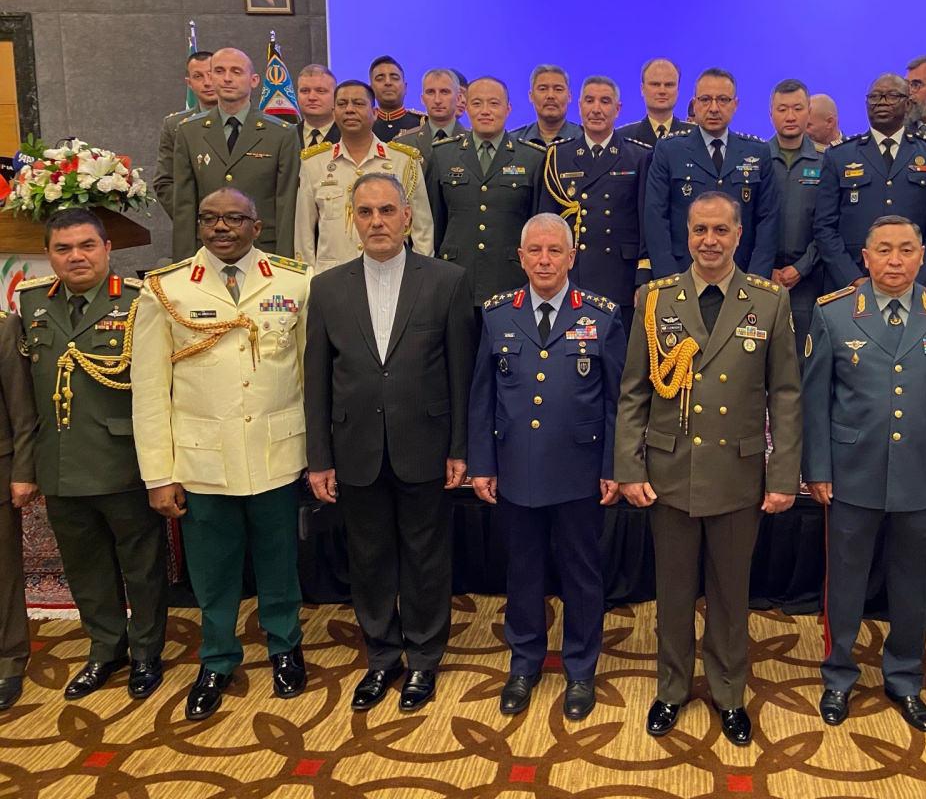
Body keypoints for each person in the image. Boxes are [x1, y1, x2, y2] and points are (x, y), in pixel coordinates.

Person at [614, 191, 802, 747]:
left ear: (739, 235)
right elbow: (633, 392)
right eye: (700, 230)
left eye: (721, 230)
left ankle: (728, 692)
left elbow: (785, 395)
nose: (710, 241)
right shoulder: (655, 299)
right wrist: (629, 467)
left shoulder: (769, 301)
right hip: (670, 469)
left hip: (737, 473)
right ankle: (672, 688)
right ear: (687, 234)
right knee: (672, 593)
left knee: (729, 594)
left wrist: (783, 475)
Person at [132, 188, 311, 722]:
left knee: (280, 562)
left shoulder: (295, 282)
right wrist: (158, 474)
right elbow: (150, 392)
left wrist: (317, 453)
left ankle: (285, 647)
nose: (221, 227)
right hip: (202, 460)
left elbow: (309, 375)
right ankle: (216, 658)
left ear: (257, 225)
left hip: (277, 452)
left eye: (234, 217)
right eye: (210, 218)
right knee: (212, 572)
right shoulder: (164, 290)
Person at [305, 173, 474, 713]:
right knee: (369, 556)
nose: (376, 221)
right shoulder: (326, 288)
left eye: (386, 211)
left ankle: (423, 657)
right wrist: (319, 458)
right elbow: (316, 380)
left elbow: (461, 373)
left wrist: (460, 448)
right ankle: (381, 656)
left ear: (406, 217)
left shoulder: (447, 281)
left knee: (426, 557)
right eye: (365, 212)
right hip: (355, 448)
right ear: (352, 221)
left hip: (425, 443)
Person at [803, 216, 926, 731]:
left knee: (914, 584)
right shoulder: (833, 313)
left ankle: (904, 677)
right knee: (845, 583)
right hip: (851, 472)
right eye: (883, 250)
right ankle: (838, 676)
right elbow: (814, 400)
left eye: (905, 249)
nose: (895, 260)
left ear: (922, 256)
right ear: (866, 257)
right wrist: (817, 468)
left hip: (925, 473)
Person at [468, 214, 626, 720]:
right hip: (517, 469)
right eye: (534, 251)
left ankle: (581, 669)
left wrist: (614, 466)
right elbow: (482, 397)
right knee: (523, 572)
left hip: (580, 471)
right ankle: (524, 663)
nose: (544, 260)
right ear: (520, 258)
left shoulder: (601, 316)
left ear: (571, 257)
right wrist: (482, 463)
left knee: (582, 573)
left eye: (555, 251)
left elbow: (617, 402)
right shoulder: (497, 315)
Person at [9, 209, 168, 702]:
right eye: (63, 248)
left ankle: (146, 653)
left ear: (107, 249)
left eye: (86, 245)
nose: (76, 256)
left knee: (141, 565)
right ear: (49, 255)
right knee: (85, 566)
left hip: (123, 460)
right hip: (60, 462)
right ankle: (105, 649)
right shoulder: (32, 304)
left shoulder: (139, 302)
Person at [814, 74, 926, 294]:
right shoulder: (839, 155)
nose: (881, 103)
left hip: (913, 284)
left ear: (908, 104)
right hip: (852, 283)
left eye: (891, 96)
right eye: (874, 97)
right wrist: (852, 279)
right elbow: (824, 227)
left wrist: (917, 281)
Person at [644, 68, 780, 280]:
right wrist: (669, 279)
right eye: (706, 99)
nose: (714, 108)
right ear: (694, 104)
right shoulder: (669, 150)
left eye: (723, 100)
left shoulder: (757, 152)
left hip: (742, 274)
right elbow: (655, 219)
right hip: (683, 273)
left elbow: (768, 220)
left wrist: (756, 280)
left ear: (735, 105)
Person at [537, 76, 650, 330]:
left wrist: (643, 277)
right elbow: (547, 222)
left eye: (605, 101)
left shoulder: (638, 156)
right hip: (574, 273)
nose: (596, 109)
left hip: (620, 276)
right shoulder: (558, 156)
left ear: (618, 109)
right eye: (589, 101)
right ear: (579, 106)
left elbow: (647, 222)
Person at [424, 76, 547, 310]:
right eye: (477, 103)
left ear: (508, 109)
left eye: (494, 103)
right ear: (465, 107)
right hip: (455, 277)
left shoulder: (532, 158)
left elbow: (537, 223)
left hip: (511, 278)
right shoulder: (442, 155)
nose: (485, 111)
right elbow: (434, 223)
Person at [171, 47, 300, 259]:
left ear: (254, 80)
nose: (227, 78)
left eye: (236, 71)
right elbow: (184, 205)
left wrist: (284, 259)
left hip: (263, 250)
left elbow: (287, 204)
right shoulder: (189, 131)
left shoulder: (281, 134)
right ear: (211, 78)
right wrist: (185, 261)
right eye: (219, 71)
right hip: (207, 250)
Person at [294, 79, 434, 272]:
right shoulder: (314, 163)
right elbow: (304, 234)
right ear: (334, 113)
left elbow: (422, 230)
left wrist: (421, 276)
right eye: (342, 104)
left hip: (391, 272)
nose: (350, 110)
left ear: (375, 113)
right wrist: (308, 280)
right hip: (332, 275)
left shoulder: (403, 160)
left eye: (358, 103)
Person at [766, 79, 826, 355]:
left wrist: (801, 268)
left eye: (797, 108)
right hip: (762, 276)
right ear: (771, 113)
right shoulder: (756, 159)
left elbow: (828, 225)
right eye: (782, 109)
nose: (790, 116)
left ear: (809, 111)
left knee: (803, 358)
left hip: (809, 280)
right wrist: (766, 268)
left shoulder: (827, 161)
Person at [0, 300, 36, 713]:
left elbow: (22, 410)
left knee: (3, 574)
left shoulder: (4, 327)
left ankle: (8, 660)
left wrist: (23, 469)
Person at [155, 50, 219, 218]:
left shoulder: (247, 121)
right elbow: (165, 182)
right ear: (189, 83)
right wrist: (193, 219)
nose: (207, 83)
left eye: (211, 74)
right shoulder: (175, 126)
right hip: (198, 223)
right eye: (198, 76)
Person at [617, 58, 694, 146]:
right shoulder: (622, 138)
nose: (662, 91)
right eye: (655, 84)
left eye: (669, 85)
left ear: (678, 89)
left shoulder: (696, 136)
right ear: (642, 89)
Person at [397, 68, 469, 149]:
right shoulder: (403, 143)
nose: (437, 100)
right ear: (422, 99)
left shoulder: (474, 142)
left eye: (444, 92)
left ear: (458, 98)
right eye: (430, 92)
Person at [512, 65, 583, 146]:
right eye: (543, 89)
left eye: (558, 89)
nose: (550, 95)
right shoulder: (513, 142)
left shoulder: (585, 139)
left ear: (569, 96)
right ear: (531, 96)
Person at [369, 56, 425, 141]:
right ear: (370, 90)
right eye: (380, 79)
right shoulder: (364, 125)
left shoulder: (423, 124)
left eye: (395, 78)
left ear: (405, 87)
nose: (388, 82)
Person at [296, 64, 340, 149]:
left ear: (336, 96)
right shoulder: (286, 136)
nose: (312, 97)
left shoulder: (349, 136)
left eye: (320, 91)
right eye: (305, 91)